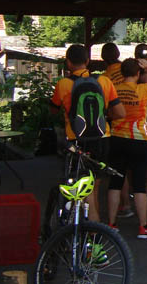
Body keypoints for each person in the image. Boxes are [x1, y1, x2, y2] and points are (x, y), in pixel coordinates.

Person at [50, 44, 125, 223]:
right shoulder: (104, 81)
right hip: (102, 138)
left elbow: (53, 111)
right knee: (94, 187)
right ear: (88, 61)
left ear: (68, 63)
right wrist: (103, 116)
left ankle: (90, 229)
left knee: (84, 190)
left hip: (77, 140)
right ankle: (95, 231)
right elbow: (120, 113)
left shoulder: (63, 84)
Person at [107, 58, 147, 238]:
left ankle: (111, 224)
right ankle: (143, 226)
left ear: (122, 73)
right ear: (138, 73)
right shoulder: (144, 89)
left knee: (115, 182)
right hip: (139, 140)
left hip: (117, 138)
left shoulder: (114, 89)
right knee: (139, 185)